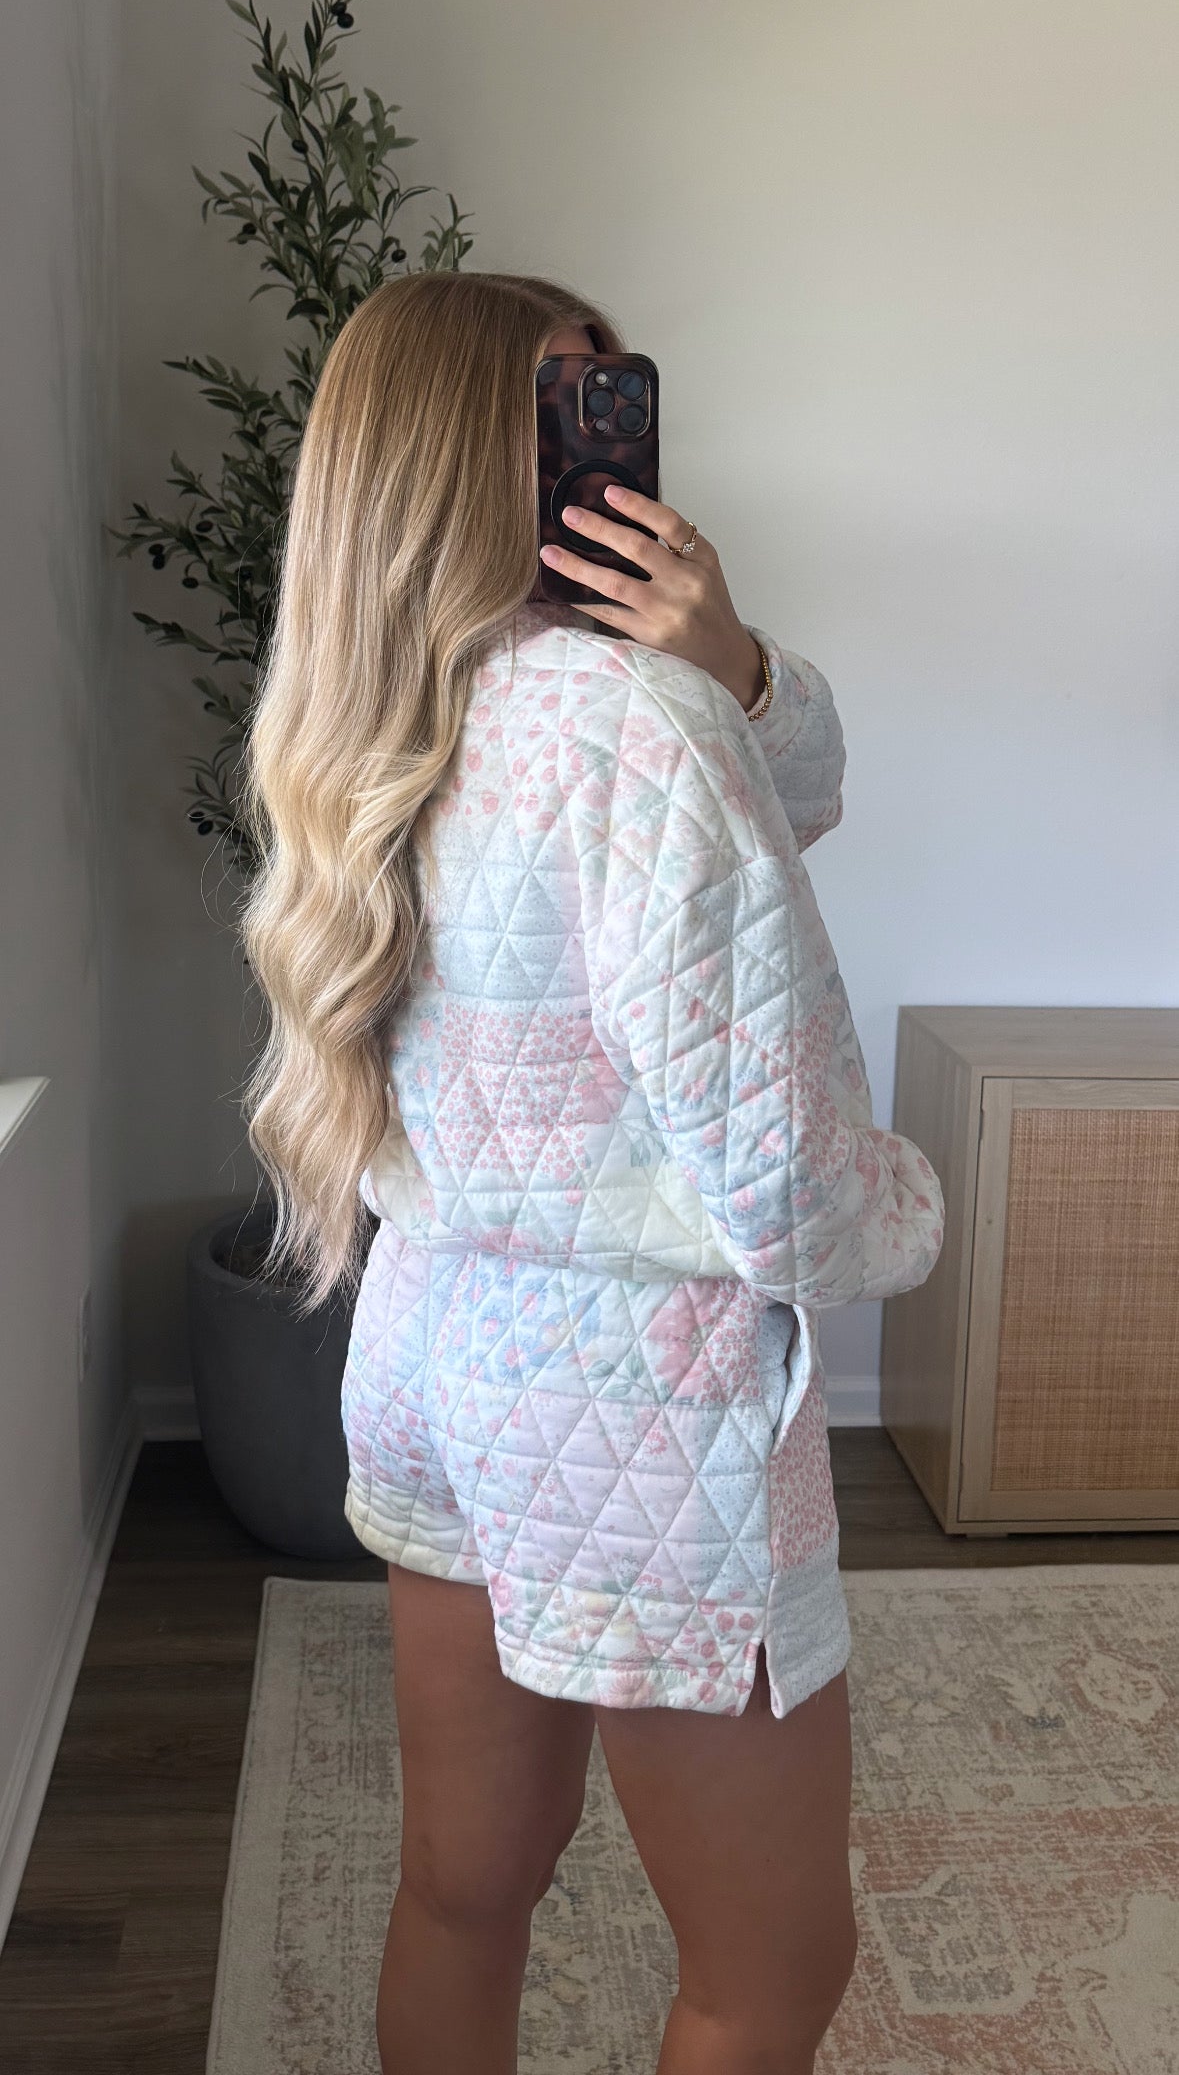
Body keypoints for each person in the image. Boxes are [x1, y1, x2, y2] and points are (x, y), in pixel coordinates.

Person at [238, 270, 945, 2075]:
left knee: (465, 1885)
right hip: (648, 1412)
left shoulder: (358, 719)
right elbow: (787, 1175)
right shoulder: (632, 726)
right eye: (564, 408)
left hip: (437, 1354)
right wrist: (908, 1209)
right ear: (470, 460)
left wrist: (736, 664)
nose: (604, 443)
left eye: (613, 398)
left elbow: (790, 785)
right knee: (773, 1968)